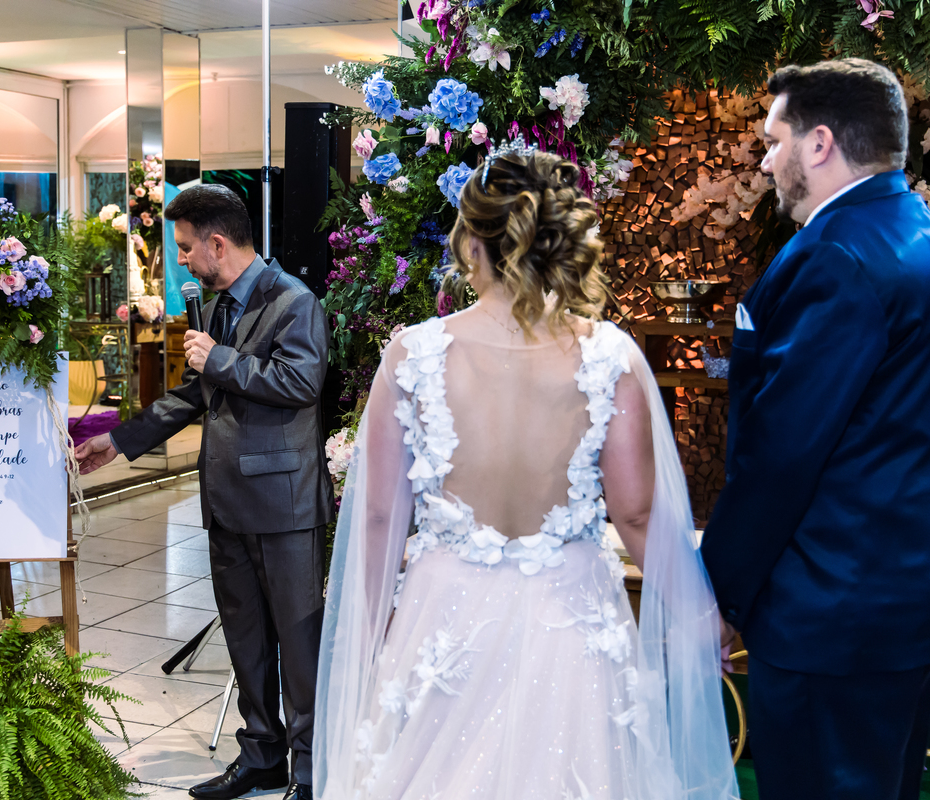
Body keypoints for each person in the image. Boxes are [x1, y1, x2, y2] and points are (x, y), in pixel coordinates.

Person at [312, 145, 738, 800]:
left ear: (470, 243)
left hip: (443, 620)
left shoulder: (411, 355)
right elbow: (637, 513)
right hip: (570, 620)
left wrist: (366, 643)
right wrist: (698, 613)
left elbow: (376, 517)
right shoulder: (609, 357)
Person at [700, 59, 930, 800]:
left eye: (774, 140)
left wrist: (719, 594)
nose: (765, 161)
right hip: (904, 600)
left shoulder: (836, 256)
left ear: (819, 143)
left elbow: (783, 454)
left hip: (831, 613)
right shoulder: (926, 235)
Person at [76, 184, 332, 800]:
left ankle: (309, 769)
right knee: (246, 640)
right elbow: (198, 392)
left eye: (187, 248)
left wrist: (217, 359)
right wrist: (120, 440)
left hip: (284, 505)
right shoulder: (215, 306)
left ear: (218, 243)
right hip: (226, 501)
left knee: (299, 646)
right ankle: (262, 756)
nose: (182, 261)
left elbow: (300, 382)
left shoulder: (293, 301)